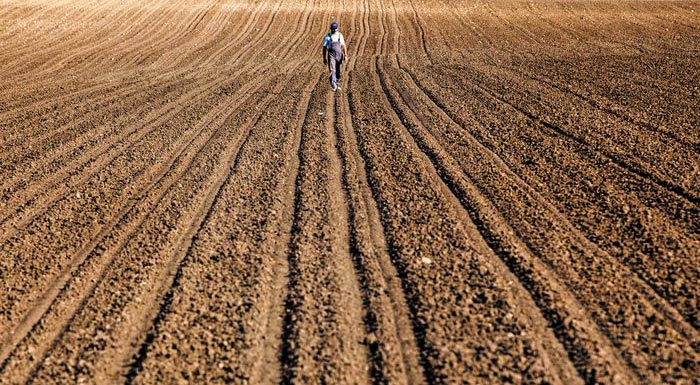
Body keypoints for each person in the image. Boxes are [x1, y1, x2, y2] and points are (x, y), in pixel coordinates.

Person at [322, 21, 347, 92]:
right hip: (331, 55)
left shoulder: (340, 35)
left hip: (339, 55)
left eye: (335, 29)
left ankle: (337, 83)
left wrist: (345, 55)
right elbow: (324, 48)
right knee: (333, 70)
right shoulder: (328, 37)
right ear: (331, 29)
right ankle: (334, 85)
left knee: (339, 71)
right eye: (333, 29)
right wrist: (324, 58)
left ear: (337, 29)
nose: (334, 30)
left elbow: (343, 45)